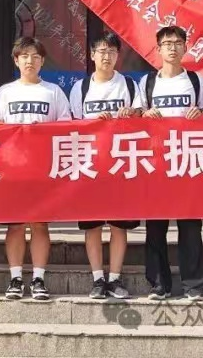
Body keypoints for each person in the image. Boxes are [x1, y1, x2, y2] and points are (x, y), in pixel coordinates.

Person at [0, 36, 71, 301]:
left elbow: (66, 126)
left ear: (42, 61)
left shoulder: (53, 91)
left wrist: (43, 131)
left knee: (39, 224)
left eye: (35, 56)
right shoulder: (5, 92)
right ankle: (15, 278)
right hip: (13, 168)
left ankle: (38, 278)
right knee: (15, 225)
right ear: (16, 60)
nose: (30, 61)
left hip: (42, 169)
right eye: (24, 56)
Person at [67, 32, 142, 300]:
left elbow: (142, 117)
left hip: (121, 163)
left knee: (119, 226)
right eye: (101, 51)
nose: (106, 56)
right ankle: (98, 279)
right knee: (93, 225)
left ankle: (115, 278)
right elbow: (71, 126)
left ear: (117, 55)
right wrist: (92, 123)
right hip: (91, 165)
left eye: (111, 51)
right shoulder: (80, 88)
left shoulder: (130, 85)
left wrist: (131, 114)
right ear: (91, 55)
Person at [140, 25, 203, 301]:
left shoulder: (196, 81)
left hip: (188, 160)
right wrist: (145, 115)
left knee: (190, 225)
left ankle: (193, 284)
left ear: (185, 47)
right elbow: (137, 114)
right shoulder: (147, 83)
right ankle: (159, 284)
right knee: (155, 225)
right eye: (167, 43)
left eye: (177, 42)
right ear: (158, 50)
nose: (172, 47)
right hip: (156, 162)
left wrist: (200, 113)